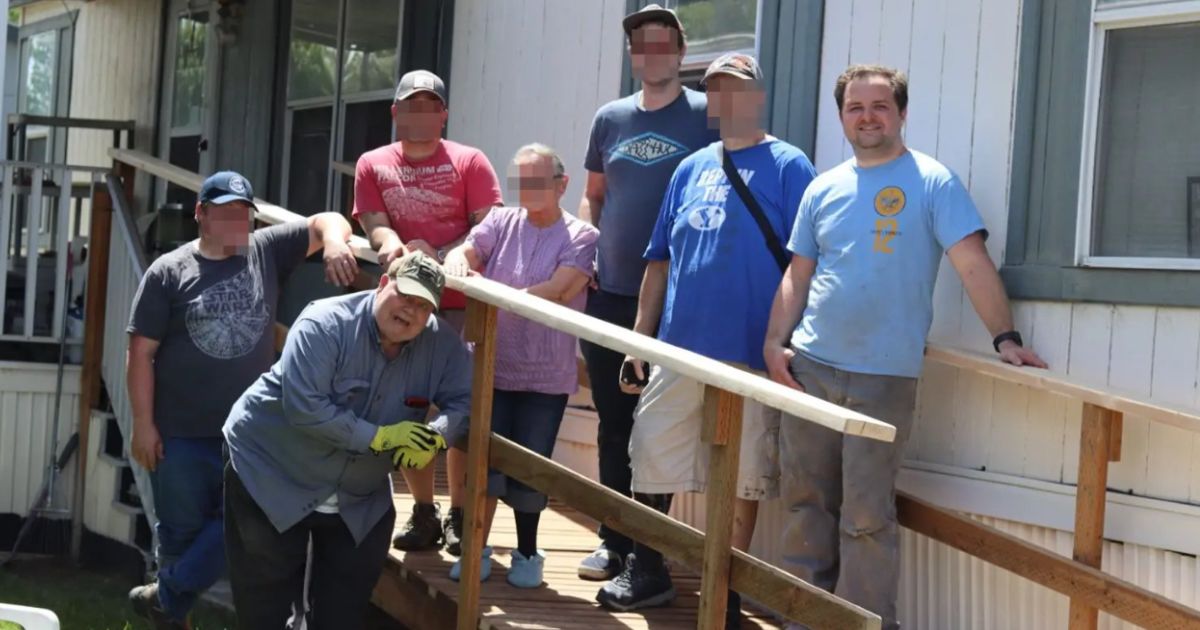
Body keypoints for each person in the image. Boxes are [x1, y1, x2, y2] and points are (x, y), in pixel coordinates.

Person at [761, 64, 1048, 630]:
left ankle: (863, 624)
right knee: (804, 505)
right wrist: (775, 342)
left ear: (901, 113)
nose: (867, 117)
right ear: (842, 116)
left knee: (866, 517)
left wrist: (1006, 337)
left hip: (882, 377)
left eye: (879, 106)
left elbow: (972, 264)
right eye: (855, 108)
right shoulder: (824, 186)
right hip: (811, 368)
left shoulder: (933, 182)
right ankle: (803, 620)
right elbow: (799, 274)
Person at [595, 54, 816, 629]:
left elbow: (806, 262)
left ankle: (725, 586)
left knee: (742, 471)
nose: (726, 100)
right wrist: (639, 343)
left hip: (750, 352)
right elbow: (658, 263)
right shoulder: (689, 168)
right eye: (715, 91)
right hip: (678, 347)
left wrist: (785, 340)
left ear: (759, 96)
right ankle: (648, 569)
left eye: (737, 90)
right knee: (652, 455)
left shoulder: (790, 165)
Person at [125, 172, 358, 628]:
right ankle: (171, 608)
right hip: (180, 435)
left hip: (252, 434)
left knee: (245, 528)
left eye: (243, 212)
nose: (236, 220)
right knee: (178, 537)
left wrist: (333, 243)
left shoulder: (267, 251)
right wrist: (142, 423)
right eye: (225, 211)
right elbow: (140, 352)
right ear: (201, 215)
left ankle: (166, 596)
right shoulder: (168, 271)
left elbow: (326, 219)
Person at [222, 252, 472, 629]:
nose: (410, 311)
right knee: (263, 608)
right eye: (405, 296)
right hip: (272, 471)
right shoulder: (323, 323)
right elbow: (305, 407)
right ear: (383, 284)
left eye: (423, 306)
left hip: (359, 495)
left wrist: (434, 438)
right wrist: (381, 438)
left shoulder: (443, 345)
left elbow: (466, 401)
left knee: (343, 613)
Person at [577, 3, 718, 581]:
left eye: (664, 44)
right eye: (642, 46)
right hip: (612, 295)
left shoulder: (708, 115)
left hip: (677, 304)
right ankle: (613, 540)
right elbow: (595, 195)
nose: (652, 54)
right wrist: (586, 246)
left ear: (681, 54)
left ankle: (647, 550)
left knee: (657, 431)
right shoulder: (609, 118)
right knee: (614, 422)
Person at [353, 68, 503, 556]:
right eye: (409, 106)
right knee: (410, 406)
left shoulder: (471, 162)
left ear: (443, 114)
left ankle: (460, 513)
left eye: (428, 106)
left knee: (461, 413)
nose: (419, 115)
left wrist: (437, 253)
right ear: (395, 113)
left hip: (461, 309)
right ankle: (423, 509)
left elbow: (489, 232)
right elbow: (374, 222)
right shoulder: (373, 163)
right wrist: (392, 242)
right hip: (404, 305)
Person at [442, 143, 598, 588]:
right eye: (522, 181)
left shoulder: (582, 236)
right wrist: (458, 261)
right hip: (490, 366)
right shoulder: (500, 220)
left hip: (544, 376)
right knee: (482, 464)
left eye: (538, 180)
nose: (528, 190)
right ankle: (478, 550)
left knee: (530, 468)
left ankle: (528, 553)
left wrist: (488, 291)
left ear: (562, 184)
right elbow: (468, 251)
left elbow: (560, 290)